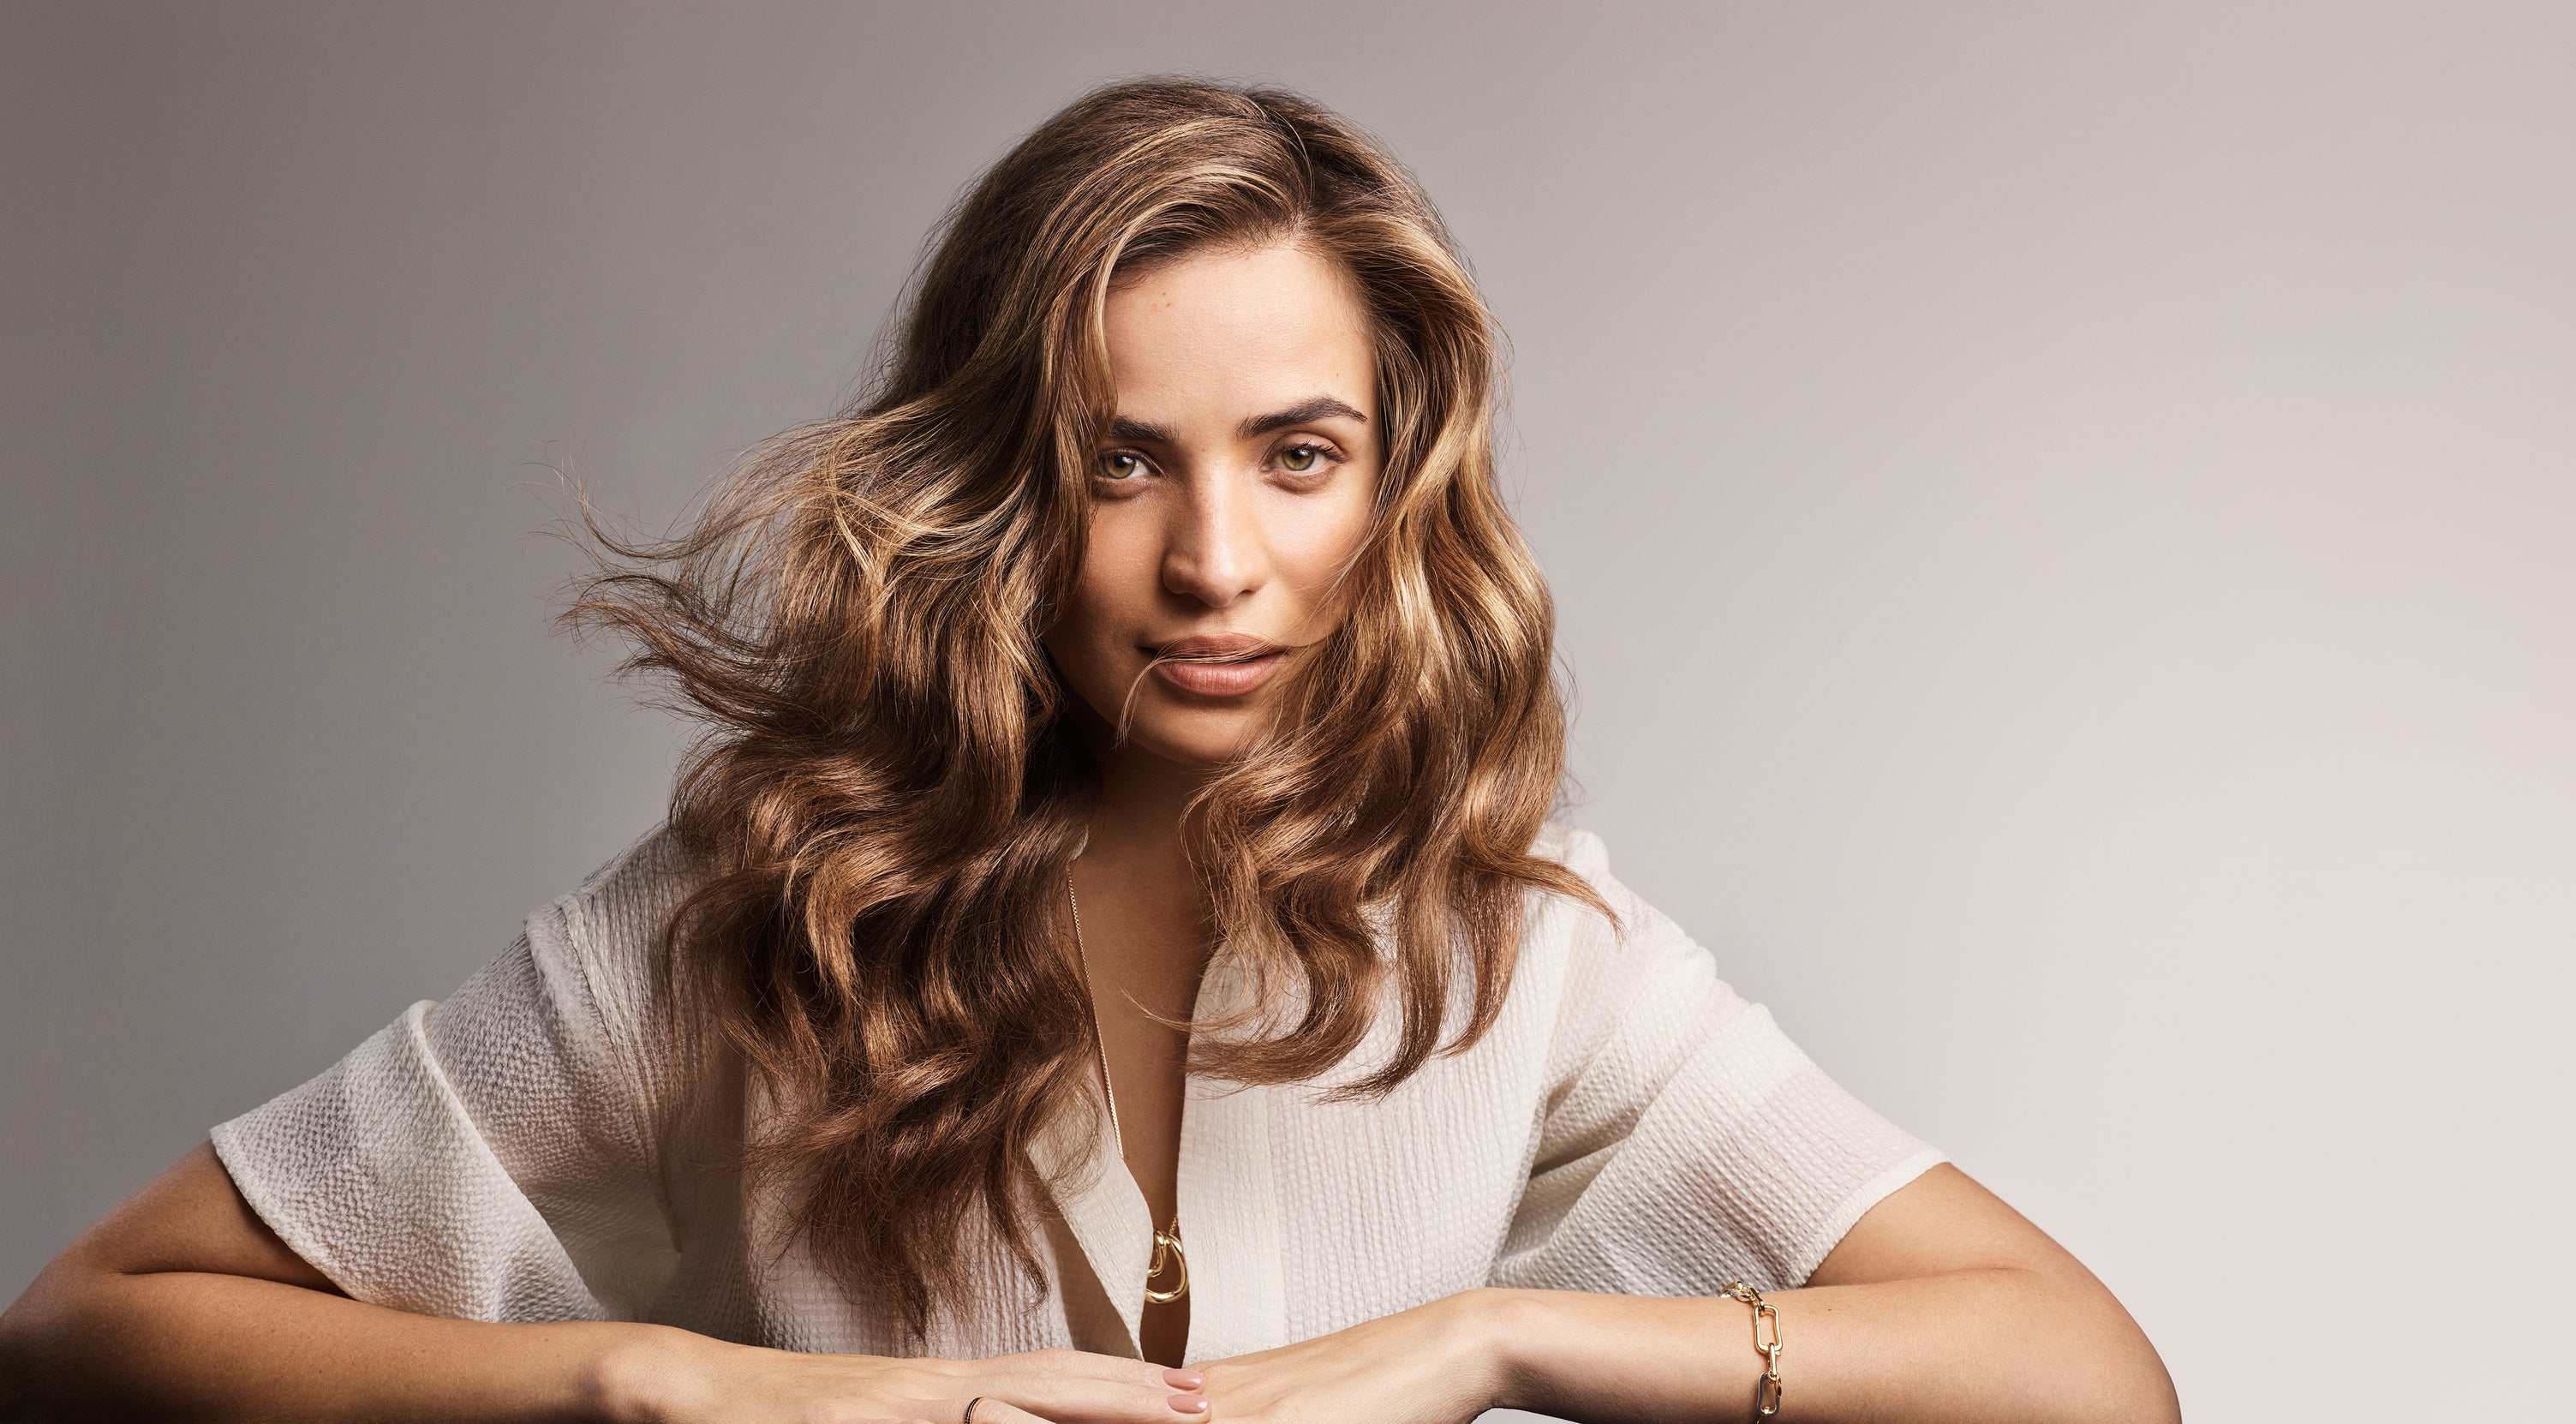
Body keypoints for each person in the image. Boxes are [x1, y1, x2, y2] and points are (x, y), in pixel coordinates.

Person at [0, 79, 2177, 1424]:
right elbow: (87, 1331)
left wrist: (1488, 1347)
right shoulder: (764, 919)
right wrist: (669, 1389)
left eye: (1298, 456)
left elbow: (2081, 1377)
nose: (1216, 560)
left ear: (1392, 483)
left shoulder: (1513, 948)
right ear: (997, 493)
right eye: (1118, 461)